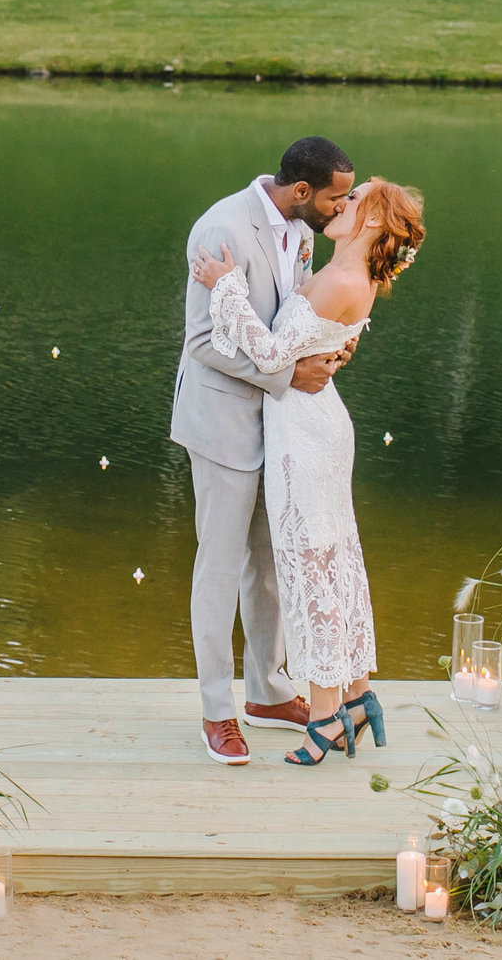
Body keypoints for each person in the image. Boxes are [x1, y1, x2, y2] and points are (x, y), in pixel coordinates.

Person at [192, 176, 425, 766]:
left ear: (373, 220)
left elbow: (272, 353)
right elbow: (310, 338)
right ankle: (351, 695)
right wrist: (331, 347)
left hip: (305, 432)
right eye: (340, 196)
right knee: (330, 559)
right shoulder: (345, 267)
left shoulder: (345, 275)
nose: (342, 206)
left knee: (309, 566)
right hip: (306, 423)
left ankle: (326, 716)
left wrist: (226, 290)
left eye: (355, 199)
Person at [171, 137, 358, 765]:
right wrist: (288, 376)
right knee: (220, 568)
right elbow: (202, 342)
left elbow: (292, 318)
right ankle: (217, 712)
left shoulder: (302, 231)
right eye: (336, 197)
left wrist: (329, 347)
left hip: (283, 431)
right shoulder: (221, 228)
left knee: (273, 565)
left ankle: (269, 691)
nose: (342, 208)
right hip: (223, 425)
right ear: (302, 191)